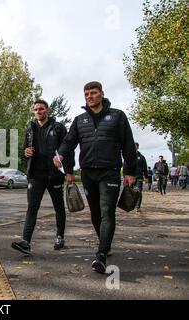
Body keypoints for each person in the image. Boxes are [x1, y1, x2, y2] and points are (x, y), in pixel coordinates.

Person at [54, 81, 137, 274]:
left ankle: (100, 255)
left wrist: (131, 171)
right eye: (86, 94)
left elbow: (128, 144)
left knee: (107, 210)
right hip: (88, 172)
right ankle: (105, 243)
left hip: (110, 171)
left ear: (101, 94)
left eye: (93, 93)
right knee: (95, 213)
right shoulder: (79, 120)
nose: (90, 96)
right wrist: (60, 155)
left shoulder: (117, 116)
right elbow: (69, 142)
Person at [11, 99, 74, 255]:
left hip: (54, 175)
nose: (38, 111)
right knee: (32, 207)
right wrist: (26, 153)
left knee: (58, 207)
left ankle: (60, 237)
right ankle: (25, 241)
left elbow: (68, 150)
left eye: (41, 109)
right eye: (36, 109)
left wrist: (69, 171)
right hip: (35, 175)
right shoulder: (30, 130)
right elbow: (24, 152)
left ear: (47, 110)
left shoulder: (58, 128)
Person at [128, 143, 149, 213]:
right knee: (131, 192)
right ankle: (132, 204)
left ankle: (138, 206)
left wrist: (146, 177)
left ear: (138, 148)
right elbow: (125, 166)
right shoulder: (128, 156)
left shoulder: (142, 157)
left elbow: (145, 168)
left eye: (136, 147)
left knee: (138, 191)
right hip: (130, 177)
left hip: (139, 177)